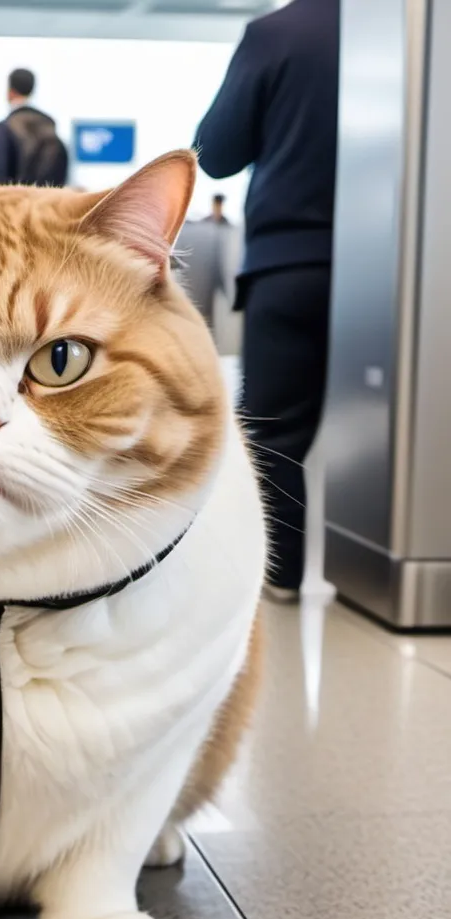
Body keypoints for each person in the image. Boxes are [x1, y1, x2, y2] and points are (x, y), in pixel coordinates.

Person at [195, 0, 339, 601]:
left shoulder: (277, 34)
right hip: (406, 270)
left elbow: (217, 151)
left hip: (293, 260)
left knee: (277, 428)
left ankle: (281, 574)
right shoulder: (413, 41)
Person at [0, 69, 68, 187]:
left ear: (10, 92)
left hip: (16, 203)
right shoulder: (52, 132)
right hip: (49, 203)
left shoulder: (1, 131)